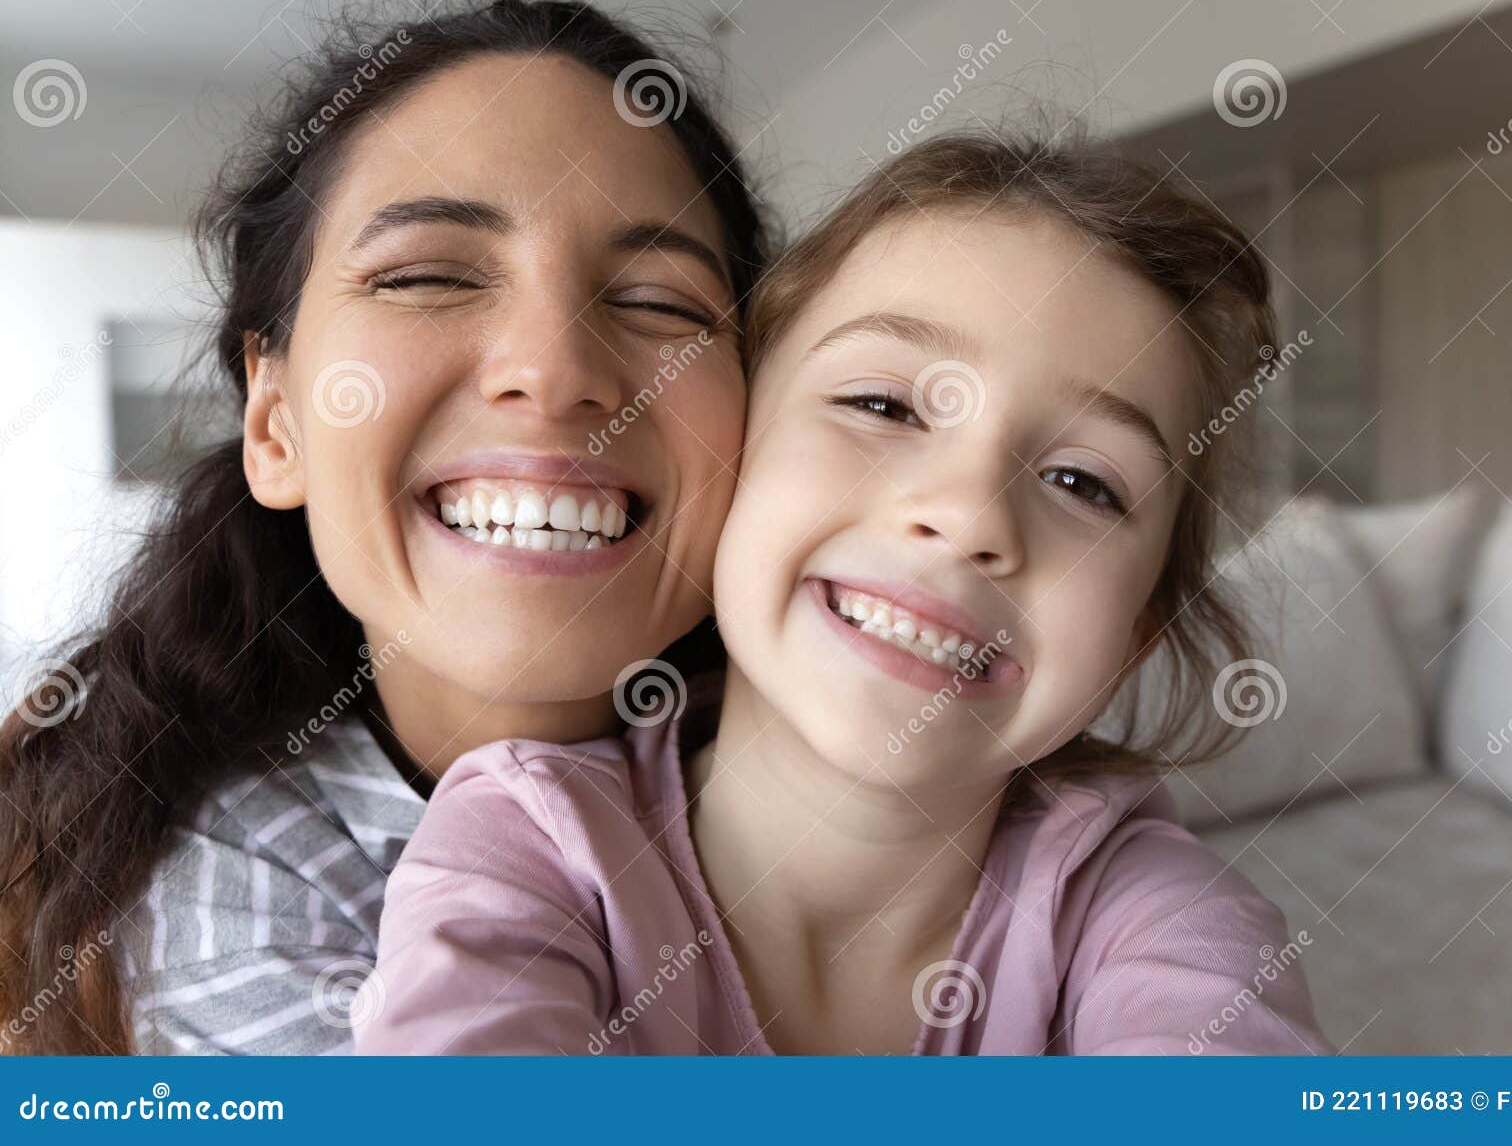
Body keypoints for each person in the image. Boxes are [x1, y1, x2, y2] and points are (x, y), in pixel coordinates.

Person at [352, 131, 1333, 1055]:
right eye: (883, 403)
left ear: (1134, 637)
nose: (966, 515)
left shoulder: (1158, 917)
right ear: (730, 456)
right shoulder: (529, 841)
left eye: (1084, 482)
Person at [0, 0, 770, 1055]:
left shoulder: (904, 774)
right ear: (276, 425)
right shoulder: (226, 885)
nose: (552, 371)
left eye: (659, 302)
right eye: (426, 276)